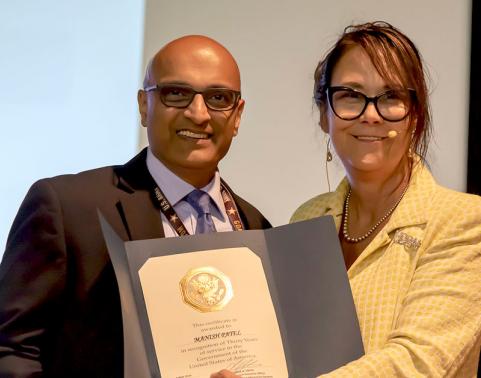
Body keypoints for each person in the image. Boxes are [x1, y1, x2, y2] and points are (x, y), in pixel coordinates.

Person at [211, 21, 481, 378]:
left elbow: (418, 363)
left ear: (414, 115)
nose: (371, 114)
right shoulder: (307, 218)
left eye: (391, 97)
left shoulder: (463, 220)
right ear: (325, 114)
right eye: (351, 95)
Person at [0, 35, 271, 377]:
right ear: (144, 105)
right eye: (177, 93)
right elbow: (10, 350)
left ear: (237, 116)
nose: (198, 113)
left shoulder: (259, 229)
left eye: (219, 98)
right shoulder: (68, 207)